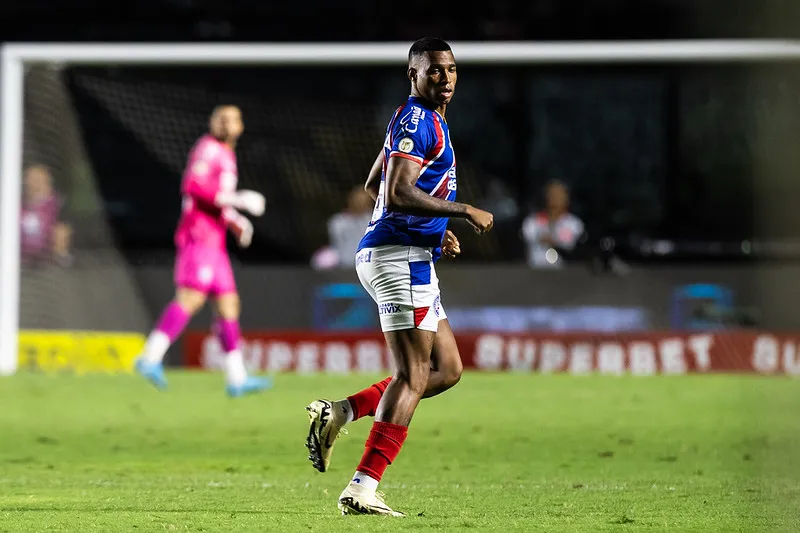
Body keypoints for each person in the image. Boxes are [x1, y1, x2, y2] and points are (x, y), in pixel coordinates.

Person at [305, 37, 494, 516]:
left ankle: (342, 412)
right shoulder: (417, 120)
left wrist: (434, 233)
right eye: (434, 71)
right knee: (412, 375)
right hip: (398, 257)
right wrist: (460, 211)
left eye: (450, 70)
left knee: (446, 369)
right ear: (413, 74)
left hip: (408, 252)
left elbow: (375, 185)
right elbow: (398, 190)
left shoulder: (422, 120)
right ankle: (363, 487)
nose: (445, 78)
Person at [134, 106, 270, 397]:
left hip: (215, 239)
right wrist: (239, 200)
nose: (226, 123)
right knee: (192, 297)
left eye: (232, 118)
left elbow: (218, 201)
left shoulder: (226, 154)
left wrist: (236, 221)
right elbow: (193, 186)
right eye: (221, 118)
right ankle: (150, 357)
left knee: (228, 304)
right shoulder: (208, 149)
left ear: (241, 126)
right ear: (211, 123)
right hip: (199, 236)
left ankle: (237, 378)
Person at [521, 179, 584, 268]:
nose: (554, 198)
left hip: (566, 273)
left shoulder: (574, 223)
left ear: (566, 198)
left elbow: (574, 248)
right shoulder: (532, 222)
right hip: (534, 272)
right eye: (551, 194)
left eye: (559, 194)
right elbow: (528, 239)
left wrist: (555, 242)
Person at [20, 165, 73, 267]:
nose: (33, 184)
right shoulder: (14, 207)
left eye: (38, 180)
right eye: (30, 179)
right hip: (21, 265)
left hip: (48, 267)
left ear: (48, 182)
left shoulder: (57, 206)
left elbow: (63, 233)